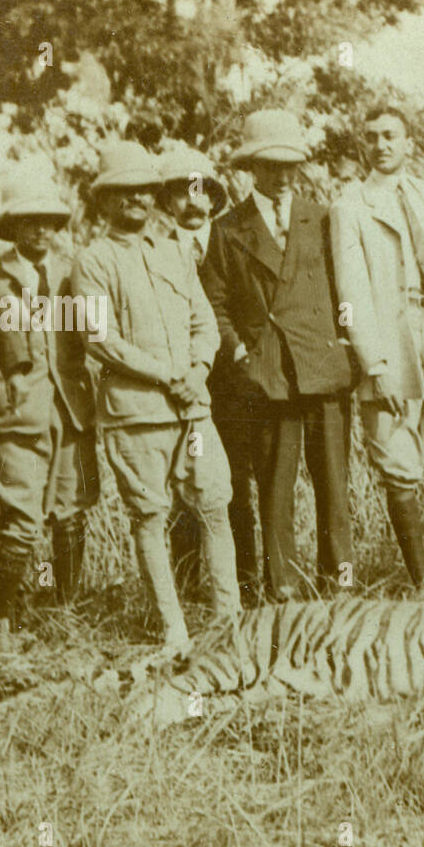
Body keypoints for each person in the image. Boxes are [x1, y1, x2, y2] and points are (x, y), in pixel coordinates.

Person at [72, 140, 240, 654]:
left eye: (145, 192)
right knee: (149, 514)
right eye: (123, 193)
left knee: (214, 504)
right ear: (103, 202)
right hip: (138, 415)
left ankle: (229, 622)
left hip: (191, 410)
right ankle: (174, 632)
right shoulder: (93, 260)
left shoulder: (171, 250)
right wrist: (169, 374)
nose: (137, 202)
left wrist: (200, 368)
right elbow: (100, 338)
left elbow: (203, 322)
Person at [200, 109, 354, 599]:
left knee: (333, 482)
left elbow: (344, 286)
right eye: (270, 165)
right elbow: (215, 303)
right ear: (252, 168)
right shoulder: (228, 229)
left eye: (290, 164)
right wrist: (242, 353)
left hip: (323, 367)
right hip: (268, 375)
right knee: (274, 485)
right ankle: (281, 586)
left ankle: (339, 581)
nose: (282, 175)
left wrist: (347, 342)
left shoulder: (322, 217)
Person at [330, 103, 424, 584]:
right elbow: (352, 289)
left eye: (391, 135)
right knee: (396, 456)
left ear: (408, 142)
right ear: (362, 144)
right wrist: (375, 362)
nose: (381, 145)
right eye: (371, 137)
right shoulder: (349, 204)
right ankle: (422, 584)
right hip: (389, 332)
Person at [0, 161, 98, 638]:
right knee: (22, 518)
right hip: (16, 414)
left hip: (70, 409)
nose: (42, 230)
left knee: (71, 510)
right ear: (12, 227)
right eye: (31, 221)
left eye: (49, 221)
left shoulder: (73, 272)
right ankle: (0, 623)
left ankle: (61, 611)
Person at [152, 143, 233, 602]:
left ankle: (237, 585)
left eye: (202, 190)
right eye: (182, 193)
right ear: (167, 202)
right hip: (179, 386)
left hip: (229, 381)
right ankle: (186, 589)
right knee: (181, 489)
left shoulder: (230, 241)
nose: (193, 200)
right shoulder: (155, 251)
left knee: (227, 487)